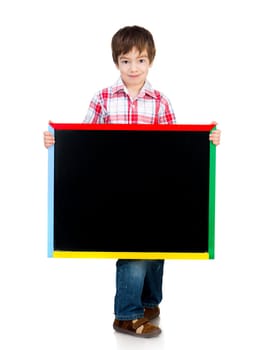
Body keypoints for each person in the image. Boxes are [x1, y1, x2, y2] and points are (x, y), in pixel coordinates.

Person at [43, 25, 221, 338]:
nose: (133, 68)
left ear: (150, 61)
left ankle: (149, 303)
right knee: (134, 247)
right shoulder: (103, 97)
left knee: (157, 248)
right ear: (116, 63)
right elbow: (85, 139)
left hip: (153, 190)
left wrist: (206, 141)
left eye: (140, 60)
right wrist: (57, 142)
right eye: (126, 61)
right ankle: (126, 315)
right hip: (117, 193)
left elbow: (174, 147)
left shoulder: (160, 101)